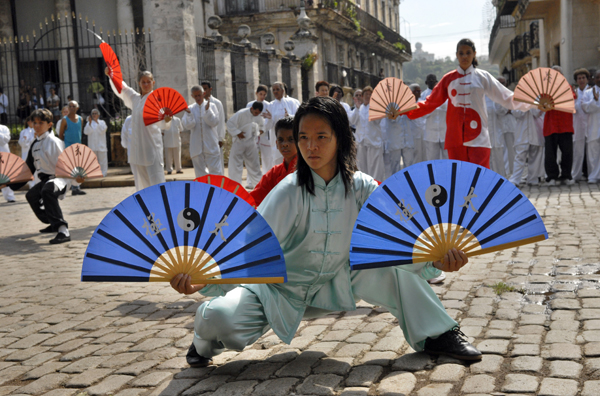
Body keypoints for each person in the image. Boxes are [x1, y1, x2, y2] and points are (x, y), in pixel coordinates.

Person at [171, 96, 482, 368]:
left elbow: (397, 238)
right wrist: (203, 280)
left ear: (341, 139)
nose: (311, 146)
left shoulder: (362, 187)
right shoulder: (287, 192)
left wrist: (436, 262)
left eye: (321, 136)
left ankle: (437, 334)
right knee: (218, 318)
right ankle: (203, 341)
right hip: (279, 290)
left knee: (394, 267)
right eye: (303, 137)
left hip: (340, 278)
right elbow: (247, 250)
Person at [407, 39, 531, 168]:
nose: (464, 56)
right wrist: (404, 110)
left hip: (479, 137)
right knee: (459, 179)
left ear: (474, 54)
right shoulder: (448, 79)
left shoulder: (483, 77)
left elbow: (506, 97)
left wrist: (534, 102)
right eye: (461, 53)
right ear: (457, 55)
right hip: (455, 138)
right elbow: (429, 103)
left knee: (479, 178)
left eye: (468, 53)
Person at [8, 109, 84, 243]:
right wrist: (8, 184)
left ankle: (63, 230)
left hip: (60, 178)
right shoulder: (34, 144)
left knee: (47, 190)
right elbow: (27, 170)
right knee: (31, 195)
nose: (36, 126)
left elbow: (66, 164)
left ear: (49, 125)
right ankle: (52, 222)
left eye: (40, 123)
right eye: (34, 122)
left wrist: (76, 180)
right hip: (47, 180)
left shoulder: (54, 142)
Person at [106, 67, 171, 191]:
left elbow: (164, 124)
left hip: (152, 148)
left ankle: (161, 209)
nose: (146, 84)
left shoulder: (157, 101)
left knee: (156, 184)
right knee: (141, 187)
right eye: (143, 82)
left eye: (148, 81)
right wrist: (111, 75)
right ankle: (146, 210)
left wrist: (167, 118)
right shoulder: (135, 99)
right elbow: (122, 88)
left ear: (153, 82)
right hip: (137, 150)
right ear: (139, 83)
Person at [249, 116, 297, 206]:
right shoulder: (274, 173)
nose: (285, 144)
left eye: (291, 140)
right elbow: (253, 200)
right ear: (276, 144)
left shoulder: (307, 170)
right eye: (281, 140)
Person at [543, 66, 575, 186]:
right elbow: (543, 104)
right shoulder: (545, 89)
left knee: (567, 152)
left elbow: (571, 98)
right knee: (550, 153)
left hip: (565, 124)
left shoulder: (567, 87)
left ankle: (566, 175)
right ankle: (551, 176)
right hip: (550, 125)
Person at [182, 85, 221, 178]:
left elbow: (214, 122)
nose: (198, 98)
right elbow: (188, 126)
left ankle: (217, 191)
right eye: (195, 96)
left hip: (210, 143)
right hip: (196, 146)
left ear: (203, 94)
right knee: (200, 173)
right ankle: (203, 191)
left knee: (215, 171)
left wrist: (207, 111)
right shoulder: (190, 108)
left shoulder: (212, 106)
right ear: (192, 96)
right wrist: (190, 114)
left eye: (199, 95)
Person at [349, 86, 385, 181]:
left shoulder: (376, 108)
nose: (368, 96)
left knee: (375, 169)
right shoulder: (359, 108)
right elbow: (352, 121)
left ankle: (376, 189)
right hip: (361, 142)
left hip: (374, 142)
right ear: (362, 96)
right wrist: (357, 108)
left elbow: (377, 121)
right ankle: (365, 190)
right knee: (362, 168)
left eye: (370, 95)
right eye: (366, 94)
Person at [226, 101, 264, 189]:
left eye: (258, 113)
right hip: (239, 141)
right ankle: (235, 188)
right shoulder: (241, 113)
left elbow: (262, 126)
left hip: (251, 142)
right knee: (235, 165)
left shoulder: (258, 116)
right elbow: (230, 123)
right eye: (255, 112)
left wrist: (261, 130)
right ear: (251, 109)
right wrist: (237, 133)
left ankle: (259, 187)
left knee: (254, 165)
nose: (256, 115)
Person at [263, 82, 299, 171]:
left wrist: (289, 116)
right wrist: (270, 119)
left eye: (277, 89)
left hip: (291, 138)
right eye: (273, 90)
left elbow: (299, 118)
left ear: (283, 91)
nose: (275, 92)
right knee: (278, 163)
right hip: (277, 139)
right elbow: (267, 126)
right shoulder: (271, 105)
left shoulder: (292, 102)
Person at [509, 108, 544, 186]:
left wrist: (531, 104)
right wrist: (525, 105)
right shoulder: (518, 98)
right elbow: (516, 113)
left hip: (536, 131)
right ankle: (515, 179)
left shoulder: (538, 98)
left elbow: (537, 112)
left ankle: (533, 179)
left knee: (535, 156)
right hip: (522, 132)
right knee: (519, 156)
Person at [59, 101, 87, 195]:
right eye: (70, 106)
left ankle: (76, 187)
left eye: (73, 106)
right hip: (68, 147)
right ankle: (65, 187)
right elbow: (60, 135)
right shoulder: (64, 120)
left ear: (77, 108)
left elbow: (80, 132)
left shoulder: (80, 119)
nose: (71, 108)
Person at [420, 75, 448, 161]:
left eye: (433, 80)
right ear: (426, 83)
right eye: (430, 81)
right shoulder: (423, 95)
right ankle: (434, 175)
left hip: (444, 132)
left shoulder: (444, 93)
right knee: (432, 160)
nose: (432, 82)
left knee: (447, 158)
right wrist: (434, 107)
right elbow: (422, 113)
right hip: (430, 134)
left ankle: (446, 174)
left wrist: (432, 106)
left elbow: (448, 107)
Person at [201, 82, 226, 172]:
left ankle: (219, 183)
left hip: (215, 137)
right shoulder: (199, 103)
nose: (204, 91)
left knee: (217, 163)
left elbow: (221, 121)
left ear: (210, 89)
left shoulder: (217, 103)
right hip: (204, 139)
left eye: (205, 88)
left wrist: (220, 138)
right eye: (202, 89)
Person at [380, 113, 415, 179]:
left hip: (407, 139)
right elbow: (388, 119)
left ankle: (410, 185)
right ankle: (396, 186)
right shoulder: (388, 105)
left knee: (409, 166)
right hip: (394, 140)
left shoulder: (407, 105)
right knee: (395, 167)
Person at [247, 85, 271, 175]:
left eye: (264, 95)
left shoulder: (268, 105)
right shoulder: (250, 105)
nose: (262, 96)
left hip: (264, 135)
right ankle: (251, 181)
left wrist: (262, 129)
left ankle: (267, 177)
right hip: (253, 135)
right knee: (252, 157)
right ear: (256, 93)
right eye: (260, 94)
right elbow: (248, 119)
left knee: (267, 158)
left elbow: (269, 120)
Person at [581, 69, 600, 184]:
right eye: (597, 77)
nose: (599, 79)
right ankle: (593, 175)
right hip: (593, 126)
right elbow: (585, 107)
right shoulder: (588, 92)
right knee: (593, 153)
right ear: (594, 79)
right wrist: (595, 101)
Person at [572, 68, 590, 182]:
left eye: (583, 78)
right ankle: (576, 175)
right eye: (579, 78)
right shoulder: (574, 93)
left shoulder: (593, 91)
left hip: (590, 124)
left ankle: (592, 174)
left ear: (587, 79)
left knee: (592, 152)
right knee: (578, 152)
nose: (581, 80)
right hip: (578, 125)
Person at [83, 109, 109, 177]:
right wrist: (90, 123)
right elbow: (86, 132)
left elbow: (103, 130)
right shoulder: (89, 123)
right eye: (93, 114)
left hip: (101, 145)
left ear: (98, 115)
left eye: (95, 113)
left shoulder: (102, 122)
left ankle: (103, 173)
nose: (94, 115)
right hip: (92, 145)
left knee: (103, 160)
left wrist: (97, 122)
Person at [485, 95, 506, 177]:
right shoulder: (480, 97)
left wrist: (497, 100)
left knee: (498, 158)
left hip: (496, 133)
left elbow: (502, 111)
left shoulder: (498, 97)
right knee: (487, 158)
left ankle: (500, 179)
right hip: (484, 135)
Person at [408, 84, 426, 164]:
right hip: (413, 135)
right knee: (415, 156)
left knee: (424, 156)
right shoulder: (408, 104)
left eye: (420, 91)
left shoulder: (422, 102)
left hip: (423, 133)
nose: (419, 93)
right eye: (417, 91)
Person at [0, 123, 16, 203]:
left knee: (6, 176)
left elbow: (6, 140)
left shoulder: (4, 128)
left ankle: (10, 197)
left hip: (4, 155)